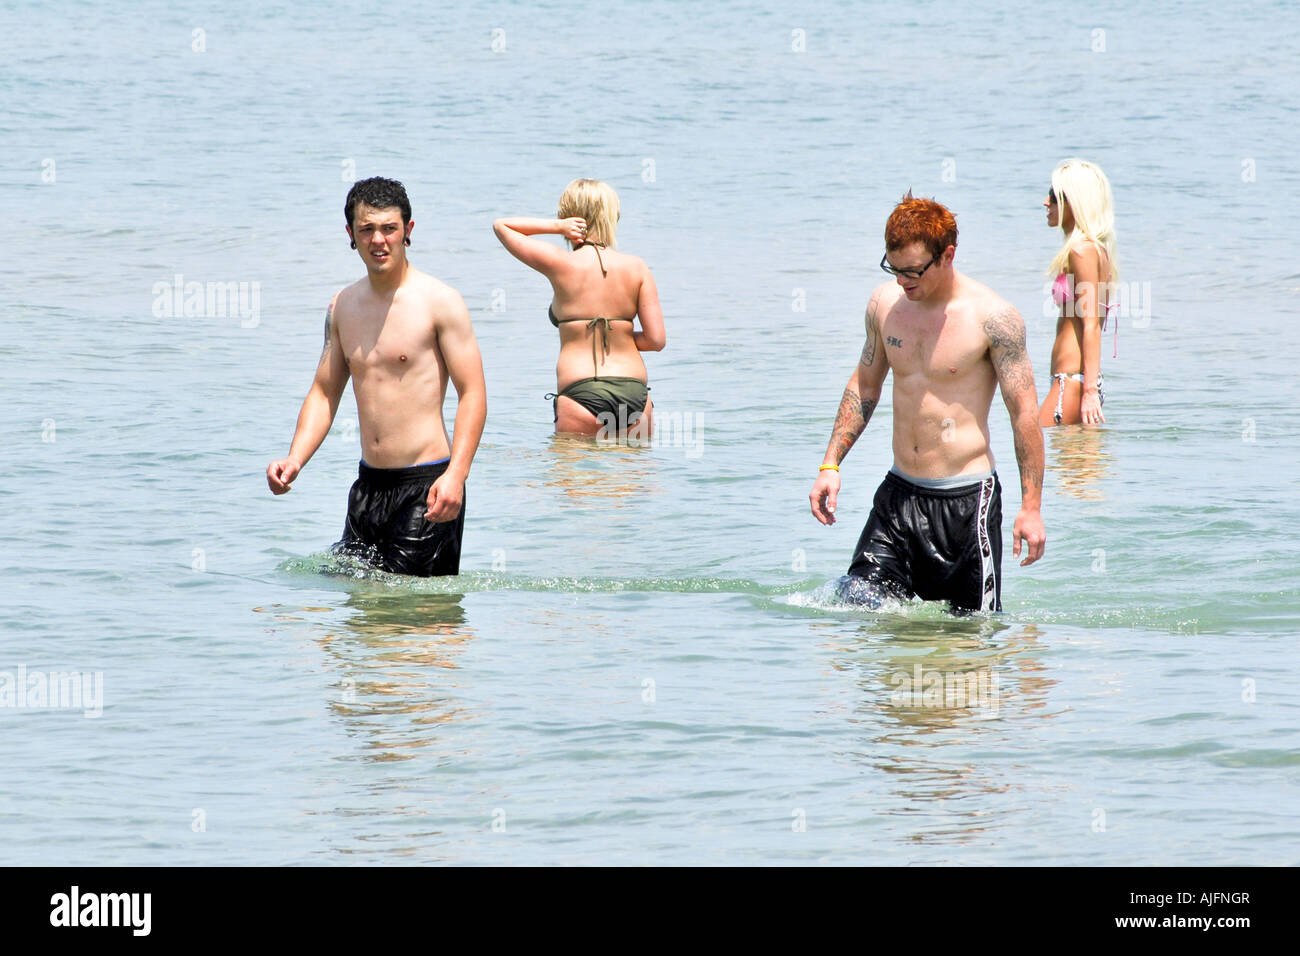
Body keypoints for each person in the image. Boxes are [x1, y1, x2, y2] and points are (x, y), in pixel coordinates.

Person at [808, 192, 1046, 613]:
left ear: (948, 255)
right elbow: (865, 385)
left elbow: (1023, 413)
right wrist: (830, 464)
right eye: (893, 269)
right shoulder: (884, 306)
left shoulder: (993, 318)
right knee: (856, 606)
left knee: (969, 639)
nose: (902, 281)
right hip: (898, 497)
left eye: (914, 270)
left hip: (966, 505)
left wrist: (1031, 508)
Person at [266, 177, 487, 576]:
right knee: (361, 617)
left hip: (427, 486)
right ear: (350, 234)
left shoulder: (440, 302)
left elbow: (472, 393)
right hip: (368, 488)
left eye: (389, 228)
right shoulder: (343, 306)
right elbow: (324, 392)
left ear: (408, 230)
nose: (379, 240)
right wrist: (295, 458)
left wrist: (456, 475)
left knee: (412, 616)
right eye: (367, 229)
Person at [493, 179, 665, 438]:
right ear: (611, 217)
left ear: (568, 217)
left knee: (574, 479)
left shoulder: (560, 262)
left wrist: (557, 227)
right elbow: (656, 340)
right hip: (635, 396)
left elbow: (502, 226)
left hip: (580, 395)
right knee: (631, 477)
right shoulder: (638, 267)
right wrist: (621, 336)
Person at [1040, 159, 1118, 427]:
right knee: (1079, 468)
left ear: (1074, 200)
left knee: (1035, 454)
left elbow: (1092, 325)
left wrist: (1089, 393)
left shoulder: (1082, 251)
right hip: (1076, 382)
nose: (1045, 202)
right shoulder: (1094, 250)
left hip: (1073, 384)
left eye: (1053, 195)